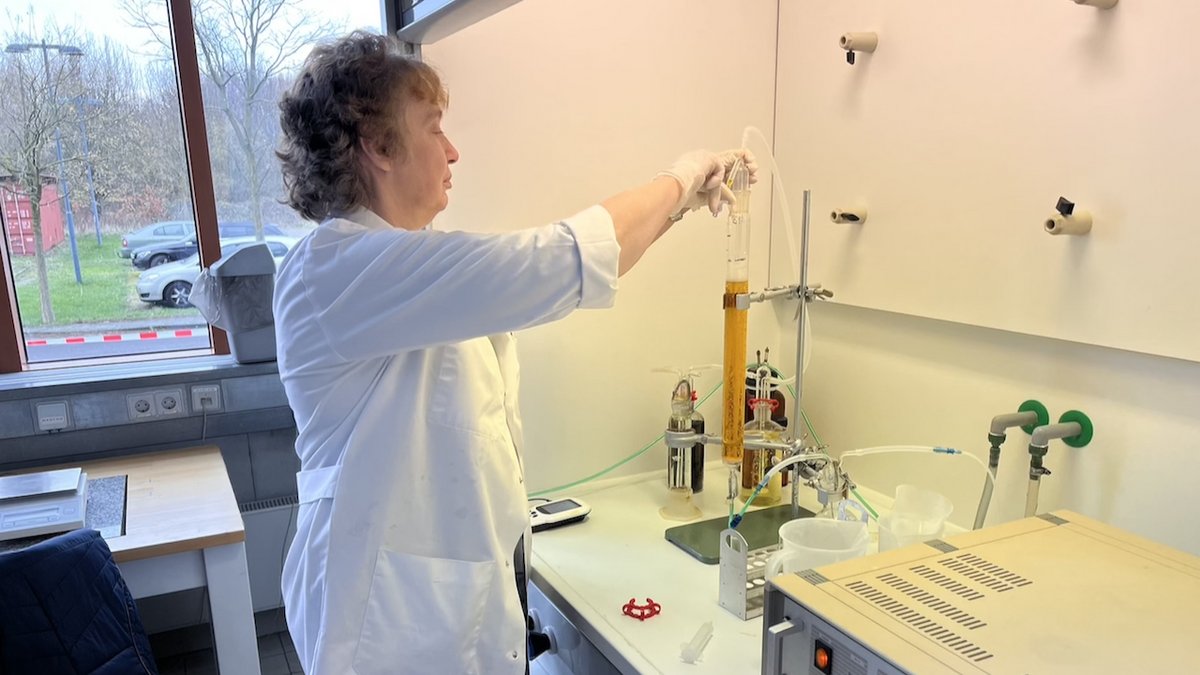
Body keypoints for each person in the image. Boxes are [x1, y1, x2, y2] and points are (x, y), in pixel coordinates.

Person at [272, 31, 757, 675]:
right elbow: (556, 262)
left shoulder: (411, 271)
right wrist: (679, 179)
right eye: (434, 128)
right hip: (383, 633)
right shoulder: (334, 272)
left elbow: (553, 276)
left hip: (455, 613)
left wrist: (676, 209)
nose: (453, 150)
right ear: (378, 146)